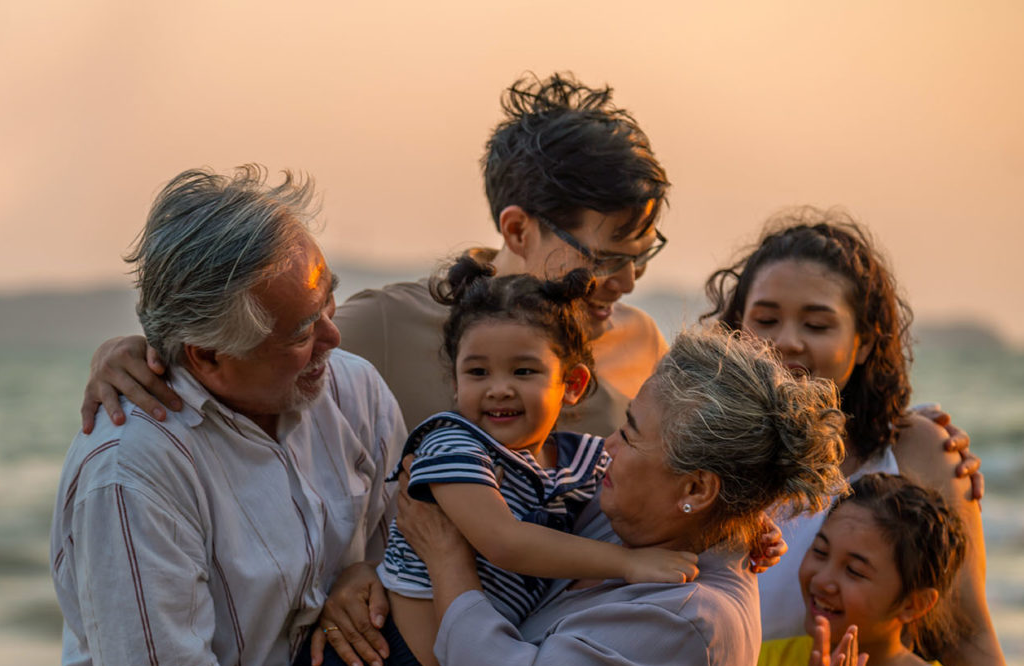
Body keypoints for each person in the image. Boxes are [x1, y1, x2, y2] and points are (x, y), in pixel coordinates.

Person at [265, 258, 696, 666]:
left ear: (575, 383)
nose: (498, 388)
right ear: (453, 382)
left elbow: (654, 479)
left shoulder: (578, 460)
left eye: (524, 370)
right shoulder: (454, 445)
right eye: (477, 372)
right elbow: (502, 540)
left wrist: (743, 529)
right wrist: (629, 564)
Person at [48, 165, 406, 666]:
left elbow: (416, 544)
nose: (332, 335)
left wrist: (370, 572)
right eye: (300, 331)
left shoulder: (354, 389)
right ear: (208, 356)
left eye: (327, 302)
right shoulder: (130, 468)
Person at [80, 72, 670, 438]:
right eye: (604, 260)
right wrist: (133, 354)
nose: (625, 284)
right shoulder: (387, 325)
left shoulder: (643, 345)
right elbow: (239, 365)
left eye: (640, 259)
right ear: (516, 230)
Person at [380, 326, 846, 666]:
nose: (606, 447)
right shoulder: (639, 521)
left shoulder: (690, 626)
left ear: (697, 488)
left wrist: (444, 559)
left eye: (630, 434)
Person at [707, 214, 1013, 666]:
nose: (787, 341)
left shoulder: (918, 450)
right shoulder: (703, 452)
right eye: (765, 318)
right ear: (735, 329)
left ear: (865, 342)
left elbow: (965, 625)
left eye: (818, 324)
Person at [725, 473, 980, 666]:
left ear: (914, 604)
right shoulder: (760, 665)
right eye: (820, 552)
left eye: (855, 571)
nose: (822, 580)